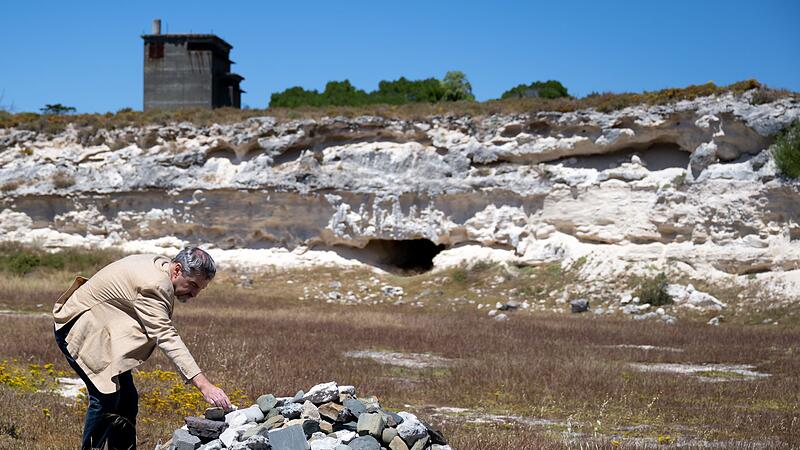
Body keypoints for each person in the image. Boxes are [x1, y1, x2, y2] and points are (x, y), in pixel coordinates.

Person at [53, 247, 231, 450]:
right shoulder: (155, 284)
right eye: (192, 285)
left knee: (127, 400)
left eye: (200, 288)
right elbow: (165, 335)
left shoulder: (162, 265)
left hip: (100, 328)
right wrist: (203, 384)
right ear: (177, 270)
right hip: (78, 328)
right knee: (106, 398)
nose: (195, 293)